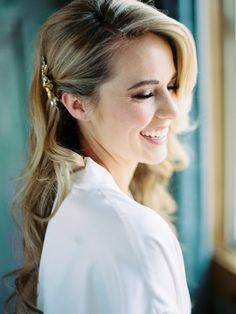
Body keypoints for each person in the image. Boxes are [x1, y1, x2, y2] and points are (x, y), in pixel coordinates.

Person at [4, 0, 197, 313]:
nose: (173, 110)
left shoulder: (72, 204)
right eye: (145, 94)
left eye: (172, 85)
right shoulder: (135, 233)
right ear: (77, 105)